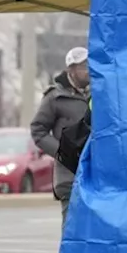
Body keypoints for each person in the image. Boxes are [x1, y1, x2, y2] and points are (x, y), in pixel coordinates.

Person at [30, 47, 91, 229]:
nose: (88, 70)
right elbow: (38, 130)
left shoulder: (98, 93)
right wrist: (63, 153)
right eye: (82, 66)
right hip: (68, 176)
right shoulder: (55, 97)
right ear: (70, 70)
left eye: (89, 65)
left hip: (94, 172)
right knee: (71, 228)